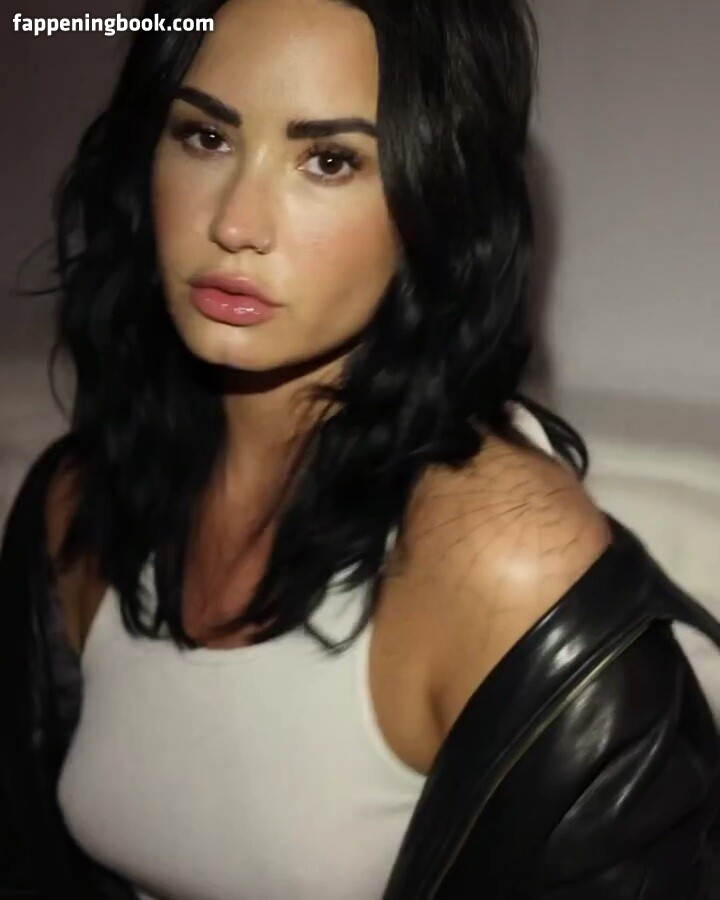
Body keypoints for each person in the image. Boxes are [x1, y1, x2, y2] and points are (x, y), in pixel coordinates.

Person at [1, 0, 720, 897]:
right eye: (206, 138)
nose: (237, 222)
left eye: (330, 160)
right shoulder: (76, 500)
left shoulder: (504, 561)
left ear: (433, 201)